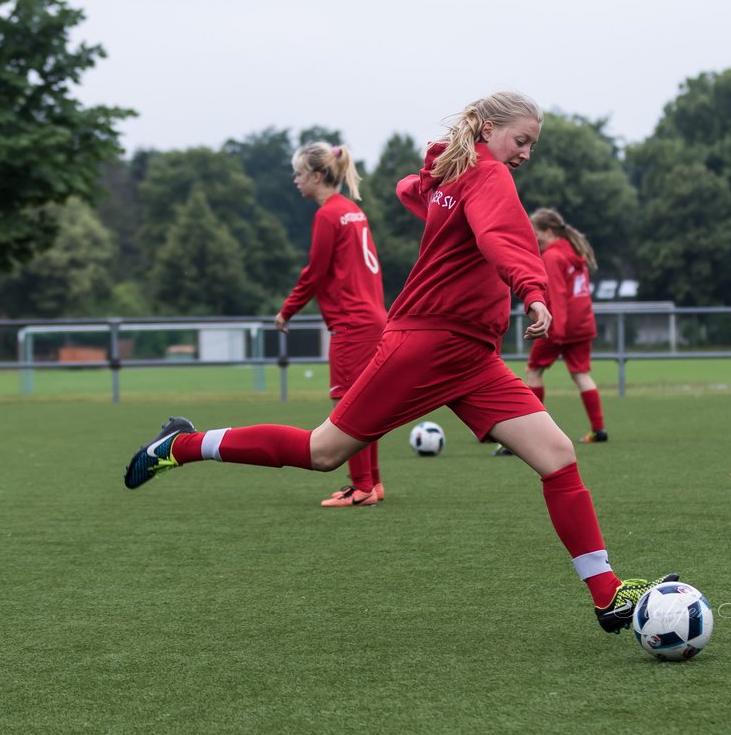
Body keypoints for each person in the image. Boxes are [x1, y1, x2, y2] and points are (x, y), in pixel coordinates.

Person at [123, 91, 675, 635]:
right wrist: (532, 289)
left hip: (471, 355)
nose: (527, 152)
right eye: (521, 139)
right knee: (322, 452)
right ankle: (180, 445)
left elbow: (415, 192)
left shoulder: (463, 177)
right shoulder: (488, 177)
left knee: (556, 456)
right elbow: (500, 236)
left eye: (533, 143)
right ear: (487, 129)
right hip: (427, 344)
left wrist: (431, 176)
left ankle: (607, 594)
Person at [275, 142, 387, 507]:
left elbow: (315, 273)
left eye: (300, 174)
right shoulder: (353, 210)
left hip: (352, 323)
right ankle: (372, 483)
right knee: (367, 404)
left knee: (348, 406)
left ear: (318, 176)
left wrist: (287, 311)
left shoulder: (327, 214)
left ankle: (361, 488)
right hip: (372, 317)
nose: (296, 181)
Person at [494, 207, 606, 457]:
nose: (535, 238)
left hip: (559, 326)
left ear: (548, 231)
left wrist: (556, 332)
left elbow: (557, 295)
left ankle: (524, 438)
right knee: (580, 374)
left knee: (533, 371)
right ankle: (598, 429)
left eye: (537, 233)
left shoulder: (553, 256)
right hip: (582, 324)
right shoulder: (575, 251)